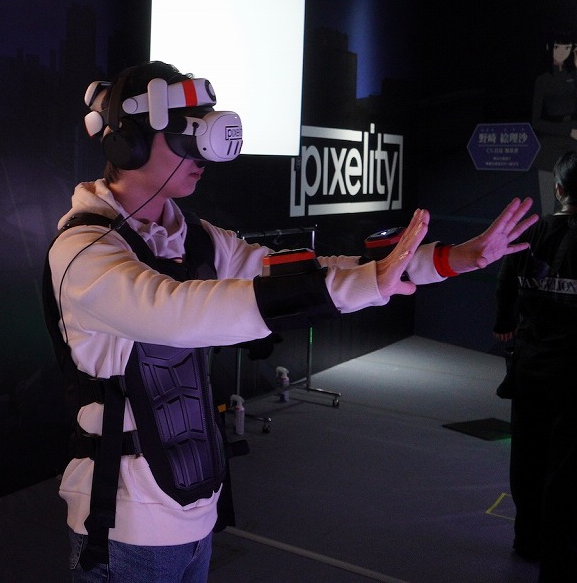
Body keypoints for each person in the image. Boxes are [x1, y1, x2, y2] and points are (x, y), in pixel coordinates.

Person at [44, 61, 537, 583]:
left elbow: (299, 271)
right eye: (188, 135)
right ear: (131, 144)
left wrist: (448, 259)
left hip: (194, 506)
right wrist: (354, 286)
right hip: (123, 525)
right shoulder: (84, 250)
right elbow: (178, 312)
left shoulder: (194, 237)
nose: (205, 154)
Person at [493, 150, 577, 580]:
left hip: (528, 365)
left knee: (526, 455)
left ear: (559, 189)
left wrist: (504, 323)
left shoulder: (533, 231)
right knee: (565, 467)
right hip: (573, 374)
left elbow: (505, 281)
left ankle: (527, 540)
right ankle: (557, 558)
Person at [530, 33, 577, 211]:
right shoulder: (542, 80)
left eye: (567, 48)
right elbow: (536, 121)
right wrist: (568, 131)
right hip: (550, 144)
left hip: (573, 143)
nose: (562, 52)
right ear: (550, 48)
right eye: (558, 47)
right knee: (549, 203)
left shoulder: (574, 77)